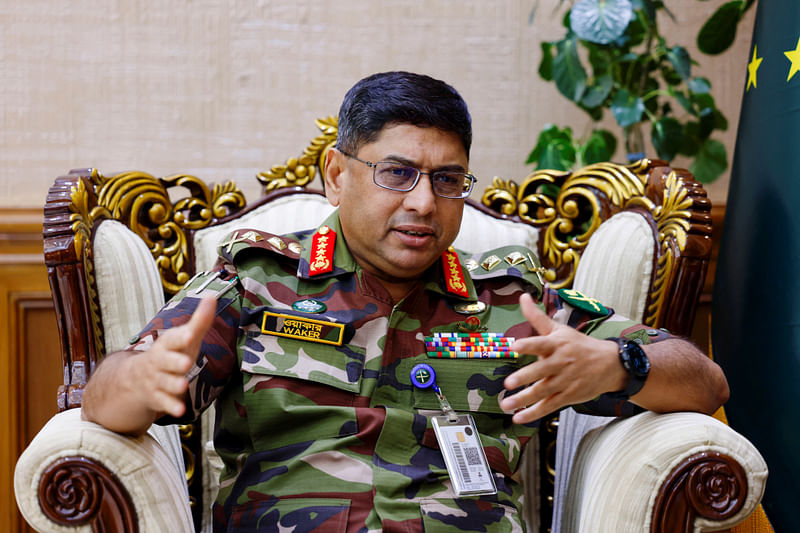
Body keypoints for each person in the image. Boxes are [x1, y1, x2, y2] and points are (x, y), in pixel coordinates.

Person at [82, 71, 729, 532]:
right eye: (397, 173)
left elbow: (706, 382)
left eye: (447, 179)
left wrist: (619, 364)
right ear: (338, 175)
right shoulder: (255, 281)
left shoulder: (510, 300)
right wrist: (140, 377)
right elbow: (102, 399)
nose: (423, 201)